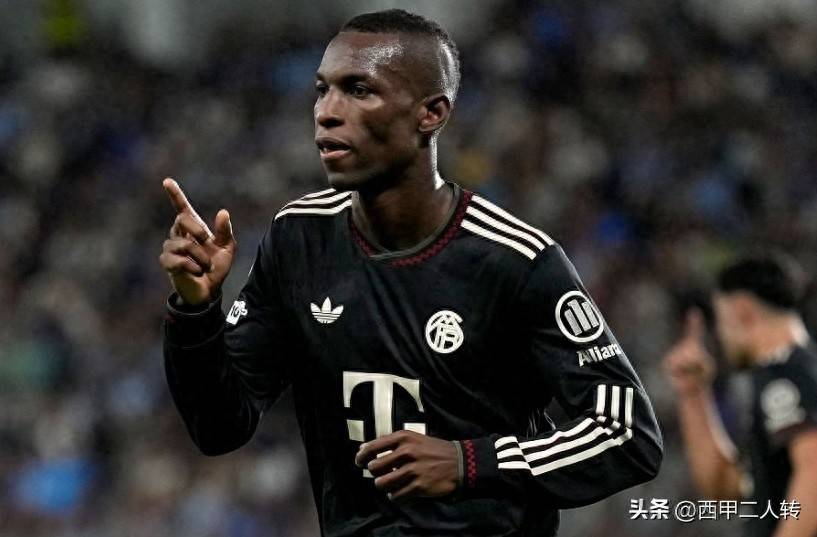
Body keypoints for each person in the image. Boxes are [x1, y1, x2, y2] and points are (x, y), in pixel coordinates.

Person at [159, 9, 663, 536]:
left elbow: (627, 434)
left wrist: (471, 462)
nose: (327, 113)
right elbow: (220, 428)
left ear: (431, 114)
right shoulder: (298, 239)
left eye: (358, 90)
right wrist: (197, 311)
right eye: (322, 90)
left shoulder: (515, 260)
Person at [664, 253, 817, 537]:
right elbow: (723, 486)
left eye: (721, 320)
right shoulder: (783, 378)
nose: (721, 336)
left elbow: (815, 470)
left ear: (743, 310)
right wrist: (693, 394)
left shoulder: (787, 373)